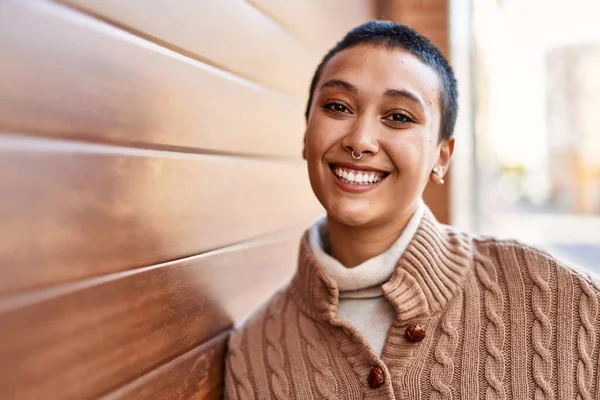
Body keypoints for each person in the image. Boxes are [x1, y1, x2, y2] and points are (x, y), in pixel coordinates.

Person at [224, 21, 600, 399]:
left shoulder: (568, 303)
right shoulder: (253, 354)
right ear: (307, 134)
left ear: (442, 157)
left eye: (399, 117)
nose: (360, 140)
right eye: (338, 107)